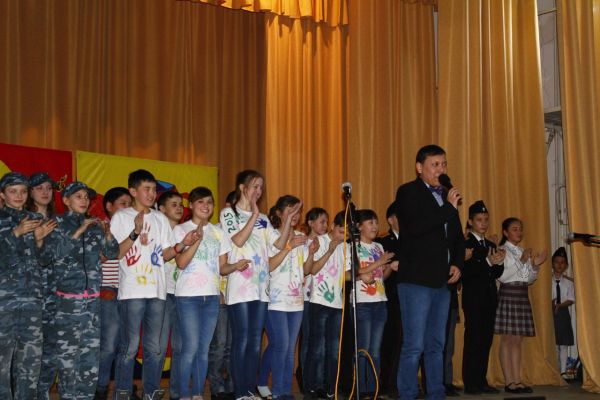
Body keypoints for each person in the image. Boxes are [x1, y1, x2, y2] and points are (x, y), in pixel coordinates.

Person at [110, 169, 195, 399]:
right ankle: (123, 392)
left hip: (157, 291)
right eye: (146, 189)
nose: (151, 194)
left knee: (155, 348)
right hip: (132, 292)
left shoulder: (159, 218)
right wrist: (135, 233)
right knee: (129, 346)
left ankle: (150, 391)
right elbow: (116, 253)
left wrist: (181, 245)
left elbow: (166, 254)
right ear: (133, 191)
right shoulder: (122, 217)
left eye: (153, 189)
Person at [395, 144, 464, 400]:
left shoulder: (446, 196)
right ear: (419, 167)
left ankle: (436, 393)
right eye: (435, 164)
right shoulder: (408, 192)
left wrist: (457, 262)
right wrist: (448, 208)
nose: (440, 169)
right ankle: (408, 394)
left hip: (441, 280)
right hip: (416, 279)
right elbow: (417, 227)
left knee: (437, 344)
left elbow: (457, 237)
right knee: (414, 345)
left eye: (443, 164)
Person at [44, 181, 119, 399]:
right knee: (68, 357)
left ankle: (86, 396)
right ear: (66, 200)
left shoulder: (95, 226)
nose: (84, 200)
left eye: (86, 197)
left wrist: (107, 234)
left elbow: (112, 253)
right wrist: (79, 230)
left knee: (90, 356)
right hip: (67, 302)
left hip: (92, 301)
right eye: (78, 196)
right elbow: (53, 255)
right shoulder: (56, 223)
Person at [219, 170, 288, 400]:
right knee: (242, 340)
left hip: (260, 288)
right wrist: (254, 214)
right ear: (242, 187)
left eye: (261, 187)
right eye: (255, 186)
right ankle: (240, 392)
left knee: (255, 342)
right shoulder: (229, 213)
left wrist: (287, 221)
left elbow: (278, 244)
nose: (259, 191)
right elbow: (238, 240)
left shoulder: (264, 219)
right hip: (240, 286)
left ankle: (249, 390)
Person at [174, 186, 241, 400]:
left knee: (203, 350)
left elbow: (222, 268)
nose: (206, 206)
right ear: (191, 205)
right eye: (201, 201)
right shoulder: (181, 229)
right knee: (190, 348)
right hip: (188, 297)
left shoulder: (218, 232)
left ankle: (197, 393)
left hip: (211, 297)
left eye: (209, 202)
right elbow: (181, 263)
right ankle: (184, 394)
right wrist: (196, 239)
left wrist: (236, 266)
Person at [0, 172, 55, 399]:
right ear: (2, 195)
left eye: (23, 191)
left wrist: (39, 240)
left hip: (32, 300)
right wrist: (16, 233)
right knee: (2, 364)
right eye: (13, 191)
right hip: (4, 303)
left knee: (30, 364)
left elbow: (45, 260)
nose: (19, 196)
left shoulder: (36, 219)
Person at [258, 195, 317, 400]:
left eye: (297, 211)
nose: (295, 215)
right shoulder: (271, 233)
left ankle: (283, 390)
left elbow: (306, 270)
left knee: (288, 348)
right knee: (281, 345)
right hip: (275, 300)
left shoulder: (301, 235)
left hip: (296, 301)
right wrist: (289, 246)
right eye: (290, 210)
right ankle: (278, 391)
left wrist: (311, 253)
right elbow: (269, 265)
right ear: (278, 213)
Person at [494, 217, 546, 394]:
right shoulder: (502, 250)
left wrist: (535, 266)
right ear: (505, 232)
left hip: (522, 295)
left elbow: (528, 279)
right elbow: (502, 276)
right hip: (508, 293)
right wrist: (522, 261)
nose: (519, 232)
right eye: (514, 229)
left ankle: (517, 380)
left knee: (517, 340)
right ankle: (509, 382)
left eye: (520, 229)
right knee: (507, 339)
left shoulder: (522, 251)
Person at [460, 200, 504, 395]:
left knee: (486, 340)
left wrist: (498, 262)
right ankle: (471, 382)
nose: (484, 223)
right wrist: (487, 261)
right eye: (479, 220)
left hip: (489, 298)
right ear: (470, 222)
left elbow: (495, 273)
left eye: (486, 219)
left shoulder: (491, 244)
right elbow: (465, 272)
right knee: (473, 339)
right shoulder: (465, 244)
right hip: (473, 299)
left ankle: (481, 379)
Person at [353, 209, 398, 398]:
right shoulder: (353, 246)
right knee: (363, 349)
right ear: (359, 226)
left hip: (380, 301)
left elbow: (382, 277)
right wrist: (380, 262)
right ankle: (361, 389)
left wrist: (390, 268)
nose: (375, 226)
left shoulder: (379, 246)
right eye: (370, 222)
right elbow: (355, 272)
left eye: (376, 222)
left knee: (376, 350)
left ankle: (374, 389)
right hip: (363, 303)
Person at [304, 210, 347, 400]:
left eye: (346, 233)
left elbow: (346, 274)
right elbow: (312, 270)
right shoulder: (319, 241)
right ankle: (312, 387)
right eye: (340, 231)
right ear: (333, 226)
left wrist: (366, 272)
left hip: (337, 304)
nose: (342, 236)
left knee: (334, 349)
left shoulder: (345, 247)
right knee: (317, 348)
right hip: (319, 301)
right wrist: (330, 250)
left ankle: (331, 387)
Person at [95, 187, 133, 400]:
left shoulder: (137, 228)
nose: (128, 208)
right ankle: (100, 388)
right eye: (123, 204)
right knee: (109, 345)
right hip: (108, 290)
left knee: (126, 346)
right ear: (109, 206)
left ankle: (123, 390)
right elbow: (99, 257)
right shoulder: (101, 227)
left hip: (131, 292)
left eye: (130, 204)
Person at [26, 172, 61, 400]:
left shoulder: (60, 221)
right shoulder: (22, 220)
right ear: (30, 192)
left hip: (56, 293)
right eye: (39, 188)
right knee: (29, 349)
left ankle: (43, 392)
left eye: (49, 188)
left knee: (52, 348)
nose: (45, 192)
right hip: (30, 293)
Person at [208, 191, 237, 400]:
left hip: (239, 296)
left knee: (233, 345)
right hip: (219, 295)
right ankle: (216, 387)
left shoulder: (247, 232)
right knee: (219, 345)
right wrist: (217, 289)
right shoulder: (215, 231)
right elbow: (209, 265)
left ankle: (232, 386)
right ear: (227, 206)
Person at [157, 191, 185, 400]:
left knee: (180, 347)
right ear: (161, 209)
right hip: (163, 293)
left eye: (181, 204)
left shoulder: (186, 232)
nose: (179, 208)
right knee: (158, 346)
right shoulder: (158, 232)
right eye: (173, 204)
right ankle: (152, 390)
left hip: (184, 294)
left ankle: (176, 392)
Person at [375, 202, 402, 397]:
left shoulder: (413, 239)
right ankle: (386, 383)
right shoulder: (383, 242)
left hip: (410, 297)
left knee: (405, 342)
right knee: (389, 341)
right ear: (391, 220)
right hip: (389, 297)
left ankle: (400, 382)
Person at [550, 247, 575, 376]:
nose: (559, 265)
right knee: (552, 342)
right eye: (556, 261)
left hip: (563, 313)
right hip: (550, 313)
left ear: (566, 265)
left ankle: (563, 371)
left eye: (562, 262)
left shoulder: (569, 283)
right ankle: (554, 370)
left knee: (563, 343)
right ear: (552, 263)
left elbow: (571, 299)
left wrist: (560, 305)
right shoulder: (547, 281)